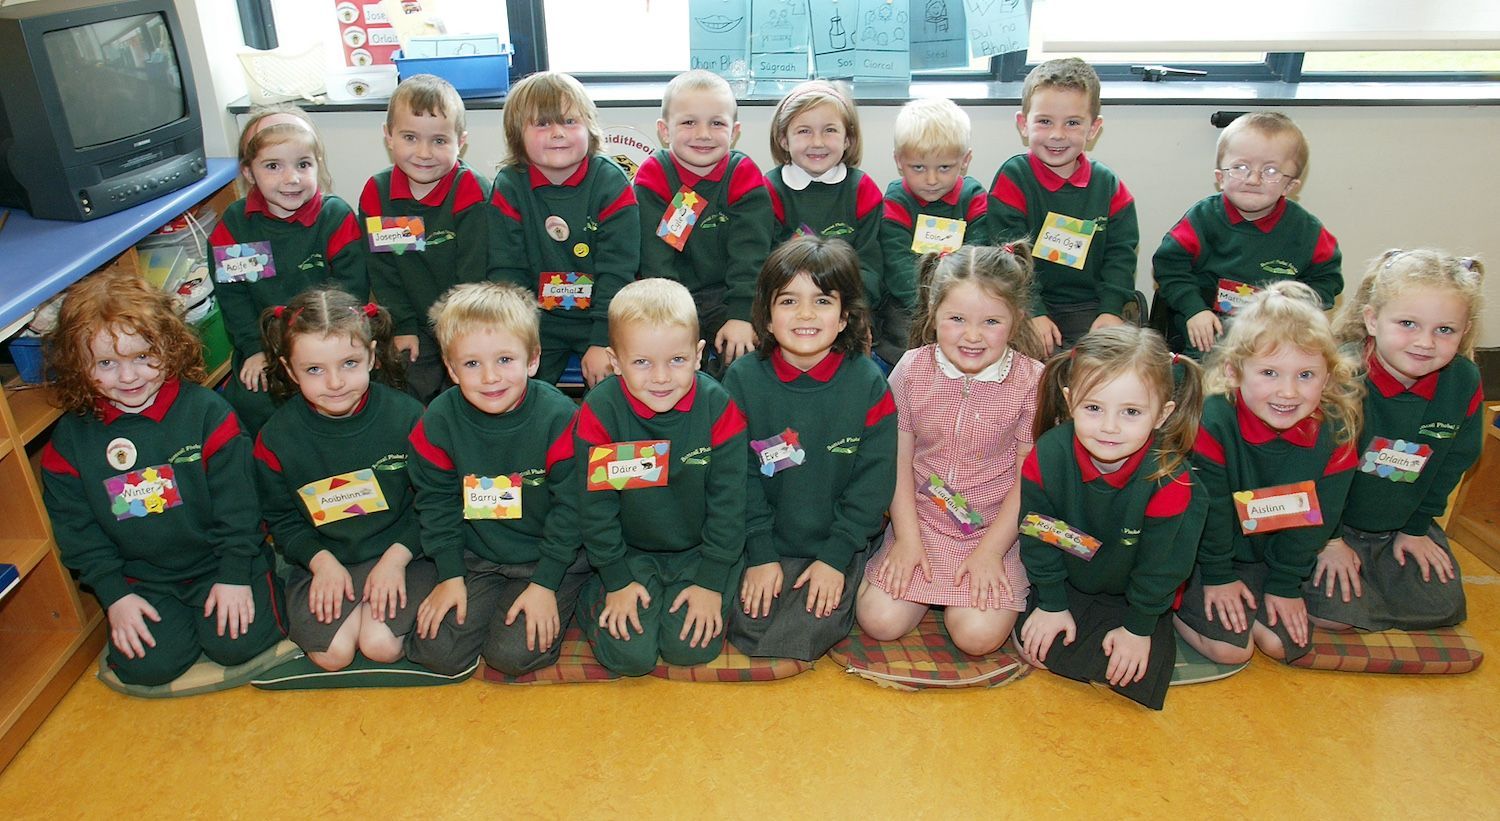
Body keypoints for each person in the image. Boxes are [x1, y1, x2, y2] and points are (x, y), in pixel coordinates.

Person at [39, 272, 284, 686]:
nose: (129, 376)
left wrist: (234, 575)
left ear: (169, 347)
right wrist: (115, 595)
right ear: (79, 366)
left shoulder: (208, 415)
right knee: (147, 666)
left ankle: (264, 581)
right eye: (106, 364)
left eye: (142, 356)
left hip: (219, 562)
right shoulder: (69, 442)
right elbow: (76, 529)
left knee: (237, 644)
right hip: (144, 578)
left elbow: (241, 507)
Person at [856, 244, 1046, 655]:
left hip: (995, 530)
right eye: (957, 319)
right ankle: (924, 583)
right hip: (920, 522)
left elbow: (1026, 479)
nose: (972, 336)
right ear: (933, 312)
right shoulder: (910, 369)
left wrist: (991, 552)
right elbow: (899, 461)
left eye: (991, 321)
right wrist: (907, 539)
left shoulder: (1032, 381)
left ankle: (986, 589)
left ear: (1016, 322)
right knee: (879, 621)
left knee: (976, 638)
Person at [722, 236, 896, 660]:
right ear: (765, 317)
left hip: (837, 542)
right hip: (761, 538)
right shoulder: (741, 381)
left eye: (822, 301)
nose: (804, 314)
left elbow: (872, 487)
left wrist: (836, 558)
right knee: (743, 628)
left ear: (844, 318)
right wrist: (760, 554)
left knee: (799, 638)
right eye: (788, 302)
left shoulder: (869, 385)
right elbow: (735, 477)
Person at [404, 282, 590, 676]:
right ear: (451, 369)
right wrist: (451, 575)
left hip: (551, 557)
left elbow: (572, 510)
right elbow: (436, 505)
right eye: (471, 364)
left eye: (505, 359)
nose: (490, 377)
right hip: (480, 559)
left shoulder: (559, 419)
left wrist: (545, 583)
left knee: (511, 655)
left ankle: (574, 594)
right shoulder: (436, 422)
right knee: (436, 651)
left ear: (533, 359)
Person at [1174, 281, 1362, 664]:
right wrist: (1219, 576)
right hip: (1204, 553)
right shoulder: (1214, 421)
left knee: (1286, 643)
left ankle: (1258, 594)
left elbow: (1317, 519)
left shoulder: (1337, 429)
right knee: (1231, 651)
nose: (1288, 392)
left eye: (1306, 375)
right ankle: (1172, 607)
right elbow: (1210, 513)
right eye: (1270, 373)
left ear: (1328, 377)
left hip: (1271, 554)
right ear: (1234, 371)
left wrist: (1284, 584)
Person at [1017, 327, 1206, 709]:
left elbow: (1162, 567)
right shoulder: (1048, 456)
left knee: (1133, 673)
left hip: (1139, 595)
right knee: (1044, 649)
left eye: (1131, 412)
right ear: (1070, 402)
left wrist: (1139, 628)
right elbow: (1040, 536)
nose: (1109, 427)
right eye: (1093, 408)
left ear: (1162, 414)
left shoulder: (1170, 479)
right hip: (1070, 582)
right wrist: (1052, 602)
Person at [252, 289, 435, 670]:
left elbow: (433, 503)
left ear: (371, 356)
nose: (334, 383)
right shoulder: (275, 438)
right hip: (327, 559)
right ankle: (348, 603)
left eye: (349, 363)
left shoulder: (409, 418)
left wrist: (396, 559)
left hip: (404, 553)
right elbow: (282, 520)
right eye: (314, 370)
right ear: (289, 370)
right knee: (333, 655)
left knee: (379, 644)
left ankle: (379, 609)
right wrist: (319, 563)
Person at [573, 278, 748, 675]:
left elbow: (730, 505)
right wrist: (615, 580)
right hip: (631, 554)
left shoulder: (718, 409)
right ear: (615, 362)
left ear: (699, 355)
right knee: (630, 658)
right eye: (641, 362)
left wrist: (710, 581)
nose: (661, 377)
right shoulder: (600, 413)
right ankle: (589, 595)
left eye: (677, 360)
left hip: (700, 552)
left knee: (689, 650)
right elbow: (595, 509)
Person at [1308, 250, 1485, 631]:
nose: (1425, 342)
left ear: (1465, 331)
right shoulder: (1340, 376)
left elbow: (1455, 461)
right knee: (1333, 617)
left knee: (1441, 608)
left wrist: (1417, 528)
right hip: (1326, 523)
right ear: (1372, 320)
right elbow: (1314, 473)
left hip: (1399, 523)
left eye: (1444, 330)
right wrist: (1331, 541)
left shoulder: (1463, 381)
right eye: (1408, 323)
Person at [210, 104, 365, 432]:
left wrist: (326, 352)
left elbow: (351, 292)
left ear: (317, 166)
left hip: (329, 340)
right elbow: (233, 299)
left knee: (352, 395)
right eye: (272, 166)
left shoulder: (335, 217)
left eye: (303, 164)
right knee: (252, 401)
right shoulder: (234, 226)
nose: (291, 178)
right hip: (265, 347)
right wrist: (253, 349)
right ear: (249, 172)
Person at [488, 71, 640, 387]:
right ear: (517, 134)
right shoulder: (509, 186)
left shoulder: (610, 183)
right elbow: (506, 271)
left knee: (615, 394)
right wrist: (522, 335)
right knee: (519, 389)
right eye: (542, 124)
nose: (558, 133)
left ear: (589, 128)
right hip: (538, 322)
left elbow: (618, 270)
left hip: (602, 319)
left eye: (570, 122)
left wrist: (602, 339)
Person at [1152, 112, 1342, 357]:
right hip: (1209, 328)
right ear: (1220, 177)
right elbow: (1169, 266)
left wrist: (1296, 312)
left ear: (1290, 186)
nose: (1253, 179)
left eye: (1271, 171)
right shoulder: (1202, 219)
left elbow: (1327, 280)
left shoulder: (1308, 232)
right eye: (1241, 167)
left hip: (1276, 332)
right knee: (1200, 376)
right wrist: (1194, 310)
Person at [989, 57, 1139, 355]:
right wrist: (1033, 310)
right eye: (1045, 121)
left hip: (1091, 306)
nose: (1057, 135)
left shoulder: (1109, 187)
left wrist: (1110, 311)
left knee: (1111, 367)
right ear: (1023, 124)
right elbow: (1006, 256)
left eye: (1072, 123)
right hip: (1025, 302)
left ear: (1093, 128)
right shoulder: (1013, 179)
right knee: (1030, 367)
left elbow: (1121, 256)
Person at [633, 69, 775, 372]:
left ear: (734, 131)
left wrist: (741, 314)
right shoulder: (653, 177)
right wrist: (675, 319)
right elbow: (656, 261)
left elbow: (750, 255)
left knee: (744, 357)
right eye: (688, 122)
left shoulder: (744, 176)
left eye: (717, 123)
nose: (703, 134)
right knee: (673, 361)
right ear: (665, 130)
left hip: (731, 294)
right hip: (670, 296)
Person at [361, 74, 492, 402]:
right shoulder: (377, 194)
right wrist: (403, 325)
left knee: (470, 392)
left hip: (467, 320)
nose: (423, 152)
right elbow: (383, 272)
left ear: (460, 141)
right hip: (411, 323)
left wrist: (456, 333)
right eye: (409, 137)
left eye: (439, 140)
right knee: (398, 387)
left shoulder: (471, 191)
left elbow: (474, 274)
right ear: (388, 136)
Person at [878, 97, 990, 366]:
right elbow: (897, 263)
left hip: (963, 299)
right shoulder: (897, 199)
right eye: (918, 167)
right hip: (910, 300)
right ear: (899, 161)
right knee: (903, 343)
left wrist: (951, 304)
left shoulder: (973, 197)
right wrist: (929, 304)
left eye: (944, 168)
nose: (931, 180)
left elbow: (980, 254)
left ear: (965, 161)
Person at [763, 81, 884, 325]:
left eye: (829, 130)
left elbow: (871, 267)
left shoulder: (862, 190)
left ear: (848, 139)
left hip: (847, 311)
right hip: (788, 313)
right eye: (804, 131)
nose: (817, 142)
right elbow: (763, 266)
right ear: (784, 139)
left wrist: (852, 312)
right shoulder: (769, 190)